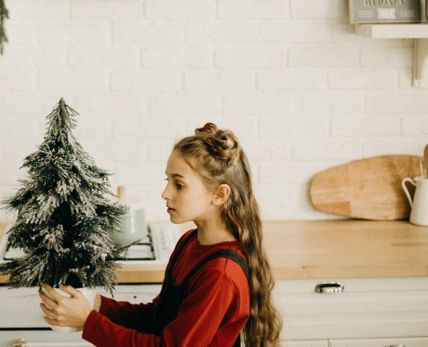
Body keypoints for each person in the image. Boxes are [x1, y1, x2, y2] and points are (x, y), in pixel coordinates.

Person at [39, 123, 283, 347]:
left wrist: (89, 322)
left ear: (219, 195)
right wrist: (96, 305)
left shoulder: (220, 275)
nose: (165, 193)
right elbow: (157, 319)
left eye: (179, 184)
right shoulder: (190, 242)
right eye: (167, 180)